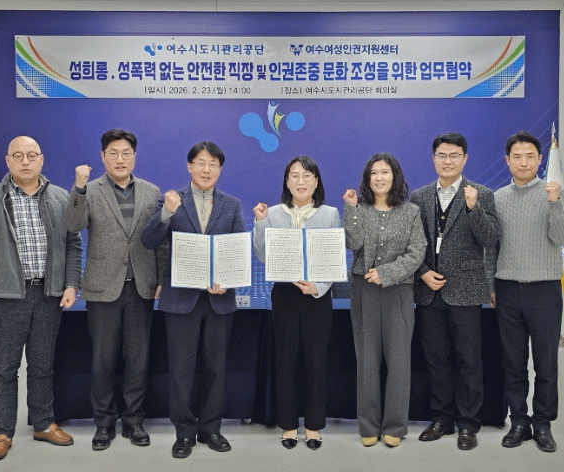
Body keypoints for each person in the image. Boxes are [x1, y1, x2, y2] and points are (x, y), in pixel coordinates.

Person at [0, 136, 82, 461]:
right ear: (7, 161)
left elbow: (73, 243)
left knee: (42, 364)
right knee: (5, 367)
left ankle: (44, 423)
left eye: (32, 155)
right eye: (18, 156)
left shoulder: (59, 196)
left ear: (42, 159)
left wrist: (71, 284)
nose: (25, 161)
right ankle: (2, 432)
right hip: (8, 296)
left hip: (48, 294)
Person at [64, 129, 167, 451]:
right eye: (113, 153)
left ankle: (134, 420)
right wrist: (79, 187)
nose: (120, 159)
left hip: (141, 287)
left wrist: (161, 277)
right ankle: (104, 423)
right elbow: (73, 224)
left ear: (134, 156)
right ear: (103, 157)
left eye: (126, 153)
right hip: (102, 287)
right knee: (103, 360)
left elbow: (159, 240)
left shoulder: (151, 192)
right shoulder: (90, 190)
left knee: (138, 359)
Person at [141, 141, 245, 459]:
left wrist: (227, 281)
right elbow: (149, 240)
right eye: (200, 163)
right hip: (180, 298)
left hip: (218, 299)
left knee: (215, 368)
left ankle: (211, 429)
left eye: (213, 164)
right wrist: (167, 213)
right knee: (181, 370)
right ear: (189, 166)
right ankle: (184, 433)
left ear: (220, 170)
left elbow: (237, 252)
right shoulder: (171, 200)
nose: (206, 169)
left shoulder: (232, 205)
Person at [410, 132, 500, 450]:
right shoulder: (419, 197)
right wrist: (422, 272)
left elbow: (490, 238)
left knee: (468, 360)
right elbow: (412, 244)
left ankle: (468, 423)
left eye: (454, 155)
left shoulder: (481, 194)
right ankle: (442, 418)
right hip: (428, 291)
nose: (448, 161)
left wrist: (474, 209)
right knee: (437, 359)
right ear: (433, 158)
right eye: (442, 155)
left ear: (465, 158)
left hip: (466, 290)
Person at [485, 131, 564, 453]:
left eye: (530, 156)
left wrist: (554, 203)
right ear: (507, 161)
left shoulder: (554, 192)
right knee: (513, 362)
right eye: (517, 156)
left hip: (545, 290)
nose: (523, 162)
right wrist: (491, 285)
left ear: (539, 159)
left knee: (546, 363)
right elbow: (491, 248)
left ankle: (543, 423)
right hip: (507, 289)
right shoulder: (497, 197)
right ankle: (519, 422)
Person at [253, 156, 340, 450]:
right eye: (294, 176)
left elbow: (334, 259)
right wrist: (260, 223)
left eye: (307, 176)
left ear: (316, 182)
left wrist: (319, 287)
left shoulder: (330, 214)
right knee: (285, 362)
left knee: (316, 362)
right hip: (285, 296)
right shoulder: (272, 213)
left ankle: (314, 426)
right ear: (287, 182)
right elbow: (263, 256)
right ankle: (288, 425)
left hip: (317, 297)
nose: (300, 181)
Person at [342, 153, 426, 448]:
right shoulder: (360, 209)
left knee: (399, 361)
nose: (379, 177)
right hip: (363, 291)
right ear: (368, 179)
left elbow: (417, 253)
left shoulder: (411, 211)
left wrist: (386, 273)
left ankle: (395, 426)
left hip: (398, 291)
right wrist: (351, 210)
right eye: (374, 173)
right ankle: (368, 425)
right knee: (367, 360)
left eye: (385, 172)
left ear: (395, 176)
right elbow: (353, 243)